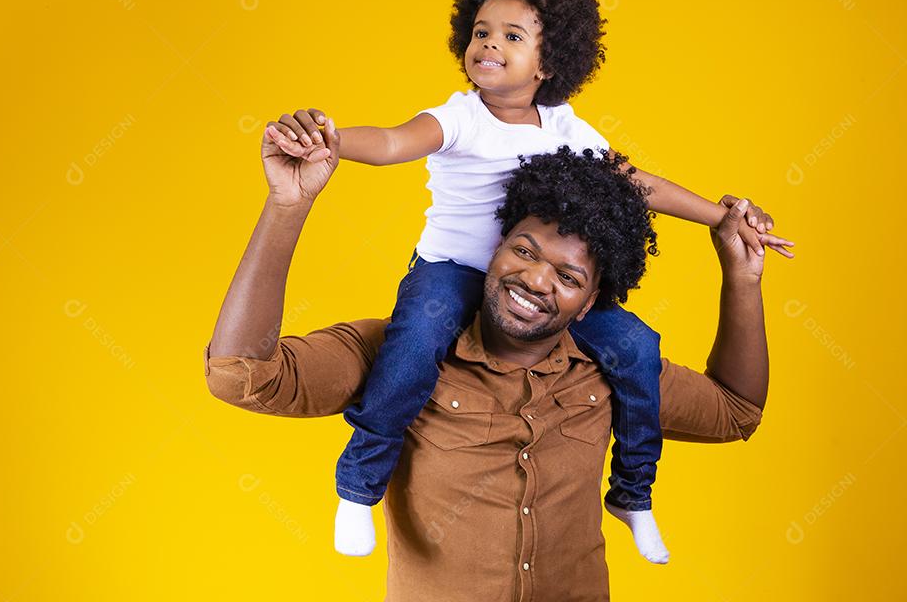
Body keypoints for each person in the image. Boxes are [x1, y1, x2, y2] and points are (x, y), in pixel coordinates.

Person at [262, 0, 793, 561]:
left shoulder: (568, 129)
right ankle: (359, 484)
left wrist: (722, 216)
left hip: (540, 285)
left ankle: (632, 491)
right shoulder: (459, 118)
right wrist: (328, 140)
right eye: (481, 31)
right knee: (413, 348)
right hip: (454, 274)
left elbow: (635, 182)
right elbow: (387, 142)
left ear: (549, 62)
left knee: (637, 347)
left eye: (512, 36)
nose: (489, 44)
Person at [206, 120, 779, 600]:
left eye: (568, 276)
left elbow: (735, 411)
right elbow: (241, 377)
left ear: (589, 305)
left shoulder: (618, 373)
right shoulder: (398, 354)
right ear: (492, 249)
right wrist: (289, 204)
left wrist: (741, 276)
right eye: (523, 250)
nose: (534, 277)